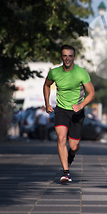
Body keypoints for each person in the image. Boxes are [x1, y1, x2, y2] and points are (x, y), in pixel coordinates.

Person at [43, 45, 95, 183]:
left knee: (73, 146)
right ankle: (66, 172)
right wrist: (47, 103)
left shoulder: (81, 73)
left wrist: (81, 105)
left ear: (74, 57)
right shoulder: (54, 72)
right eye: (65, 55)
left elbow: (92, 93)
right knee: (61, 139)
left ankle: (71, 155)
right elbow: (46, 85)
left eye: (70, 56)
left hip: (77, 111)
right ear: (61, 56)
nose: (67, 58)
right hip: (61, 110)